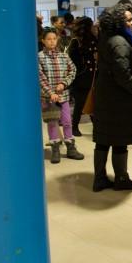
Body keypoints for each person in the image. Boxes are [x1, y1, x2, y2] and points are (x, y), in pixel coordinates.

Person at [92, 4, 132, 191]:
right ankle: (121, 179)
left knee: (104, 140)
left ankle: (99, 179)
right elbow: (122, 71)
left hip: (106, 98)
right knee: (120, 141)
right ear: (118, 22)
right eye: (128, 20)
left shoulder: (106, 37)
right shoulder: (120, 42)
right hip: (118, 101)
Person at [39, 29, 85, 163]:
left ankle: (71, 147)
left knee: (67, 121)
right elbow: (40, 77)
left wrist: (64, 84)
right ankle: (55, 149)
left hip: (63, 95)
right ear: (43, 41)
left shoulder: (63, 56)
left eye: (54, 38)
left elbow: (73, 70)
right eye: (49, 39)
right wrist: (50, 93)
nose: (52, 41)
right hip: (48, 98)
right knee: (52, 122)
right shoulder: (40, 57)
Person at [67, 17, 98, 137]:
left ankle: (96, 127)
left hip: (93, 77)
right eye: (91, 26)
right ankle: (74, 127)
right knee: (80, 104)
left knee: (92, 103)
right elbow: (74, 62)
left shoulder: (94, 40)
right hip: (81, 79)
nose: (93, 28)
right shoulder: (76, 42)